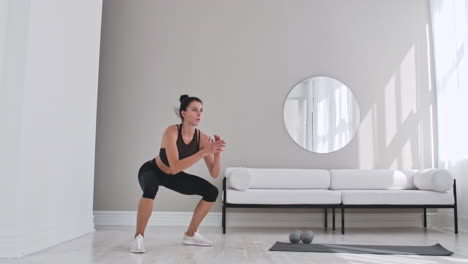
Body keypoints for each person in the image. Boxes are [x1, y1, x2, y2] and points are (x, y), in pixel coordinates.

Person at [130, 95, 226, 253]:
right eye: (194, 110)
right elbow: (174, 167)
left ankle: (190, 234)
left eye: (201, 111)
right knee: (150, 190)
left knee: (212, 191)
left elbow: (214, 174)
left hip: (172, 176)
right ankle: (138, 238)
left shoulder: (201, 138)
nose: (199, 114)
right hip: (152, 170)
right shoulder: (172, 131)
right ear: (183, 113)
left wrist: (216, 154)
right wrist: (204, 152)